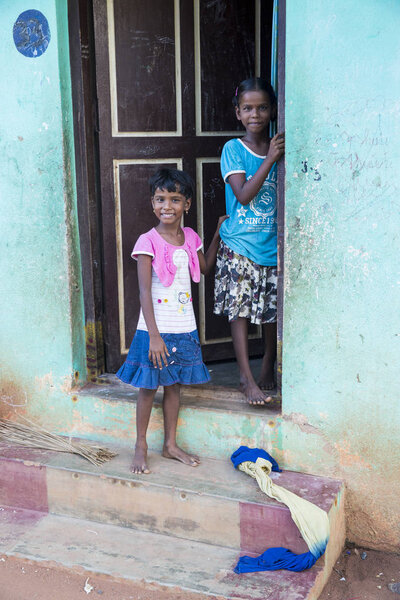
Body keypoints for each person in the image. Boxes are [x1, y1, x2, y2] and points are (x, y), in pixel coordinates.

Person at [117, 168, 227, 473]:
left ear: (187, 204)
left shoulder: (190, 237)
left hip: (183, 328)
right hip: (154, 330)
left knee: (175, 386)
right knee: (148, 388)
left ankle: (170, 444)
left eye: (175, 199)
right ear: (153, 204)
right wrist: (153, 336)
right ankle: (141, 445)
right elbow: (142, 291)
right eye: (161, 199)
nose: (167, 205)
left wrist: (217, 234)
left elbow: (204, 269)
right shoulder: (147, 241)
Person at [214, 77, 285, 406]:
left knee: (271, 313)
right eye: (248, 108)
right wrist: (269, 159)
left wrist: (274, 153)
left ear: (272, 111)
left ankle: (268, 364)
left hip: (272, 245)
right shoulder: (233, 149)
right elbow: (242, 195)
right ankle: (245, 375)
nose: (255, 114)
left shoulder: (278, 145)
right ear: (238, 113)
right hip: (239, 246)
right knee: (239, 311)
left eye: (262, 108)